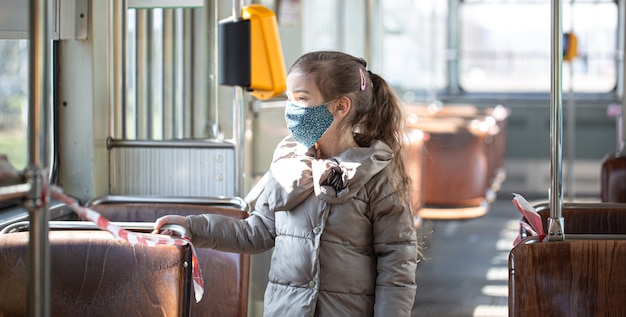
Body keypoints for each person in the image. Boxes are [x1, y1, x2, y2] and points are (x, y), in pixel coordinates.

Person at [154, 51, 418, 316]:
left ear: (340, 107)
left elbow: (396, 263)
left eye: (301, 99)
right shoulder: (287, 162)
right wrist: (192, 227)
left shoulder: (377, 174)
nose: (290, 109)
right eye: (289, 98)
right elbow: (255, 232)